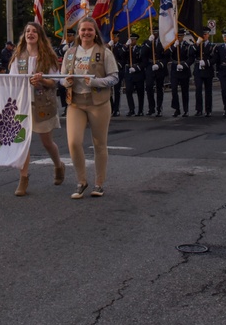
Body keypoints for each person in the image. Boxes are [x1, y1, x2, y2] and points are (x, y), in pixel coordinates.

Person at [62, 17, 120, 199]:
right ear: (78, 32)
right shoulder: (70, 53)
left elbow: (114, 77)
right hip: (76, 102)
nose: (86, 33)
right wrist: (66, 81)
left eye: (90, 30)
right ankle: (81, 181)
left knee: (99, 144)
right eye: (83, 30)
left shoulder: (104, 52)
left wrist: (96, 81)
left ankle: (99, 183)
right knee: (73, 142)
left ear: (95, 32)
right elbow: (61, 77)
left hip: (98, 103)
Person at [10, 22, 66, 196]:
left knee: (46, 142)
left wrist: (41, 81)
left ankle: (58, 164)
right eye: (27, 31)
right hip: (23, 103)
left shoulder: (47, 56)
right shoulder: (18, 55)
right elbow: (12, 80)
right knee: (23, 143)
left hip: (42, 103)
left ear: (40, 35)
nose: (30, 33)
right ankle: (23, 178)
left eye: (34, 31)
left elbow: (54, 81)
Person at [190, 28, 214, 116]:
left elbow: (214, 58)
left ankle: (208, 110)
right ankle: (199, 109)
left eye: (206, 34)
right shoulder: (197, 44)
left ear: (208, 35)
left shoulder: (212, 46)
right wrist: (197, 43)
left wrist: (207, 62)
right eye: (203, 34)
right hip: (198, 70)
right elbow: (191, 53)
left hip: (208, 69)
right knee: (198, 89)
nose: (204, 36)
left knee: (208, 91)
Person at [167, 29, 192, 117]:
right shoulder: (173, 45)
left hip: (184, 70)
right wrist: (174, 46)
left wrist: (184, 65)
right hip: (175, 69)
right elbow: (166, 54)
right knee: (174, 89)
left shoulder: (187, 46)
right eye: (177, 36)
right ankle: (176, 109)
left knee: (185, 91)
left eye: (180, 36)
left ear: (183, 36)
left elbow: (191, 58)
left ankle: (186, 110)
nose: (179, 38)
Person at [125, 33, 145, 116]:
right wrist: (126, 45)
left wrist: (136, 68)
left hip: (138, 73)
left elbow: (143, 62)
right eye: (131, 39)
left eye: (133, 40)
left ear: (136, 40)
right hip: (129, 72)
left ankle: (140, 110)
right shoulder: (126, 49)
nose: (132, 41)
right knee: (128, 91)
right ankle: (131, 109)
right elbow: (120, 55)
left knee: (140, 92)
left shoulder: (140, 49)